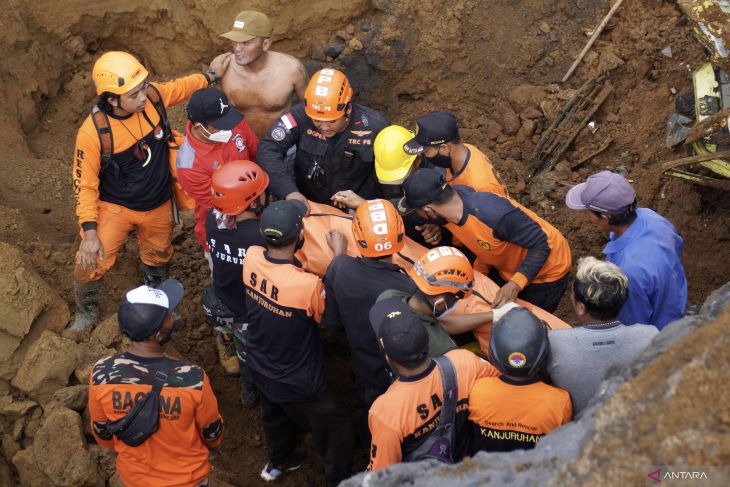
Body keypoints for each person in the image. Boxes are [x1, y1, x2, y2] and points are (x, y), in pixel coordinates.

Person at [70, 51, 229, 332]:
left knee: (159, 256)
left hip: (157, 204)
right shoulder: (94, 132)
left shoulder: (152, 99)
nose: (143, 96)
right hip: (115, 207)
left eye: (143, 87)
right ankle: (87, 311)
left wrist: (210, 76)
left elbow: (180, 87)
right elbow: (84, 184)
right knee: (90, 261)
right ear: (111, 99)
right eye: (134, 94)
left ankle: (156, 303)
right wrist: (90, 232)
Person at [243, 200, 354, 485]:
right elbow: (329, 320)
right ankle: (339, 480)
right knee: (336, 428)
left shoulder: (252, 257)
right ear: (300, 235)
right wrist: (339, 256)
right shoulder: (306, 286)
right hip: (298, 379)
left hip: (259, 361)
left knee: (275, 416)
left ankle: (278, 462)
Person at [88, 279, 223, 487]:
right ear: (159, 334)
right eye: (169, 314)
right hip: (189, 480)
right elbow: (213, 434)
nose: (172, 316)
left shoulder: (101, 374)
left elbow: (103, 435)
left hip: (135, 480)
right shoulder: (192, 378)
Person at [400, 168, 572, 312]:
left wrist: (515, 284)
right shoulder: (452, 209)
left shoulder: (493, 215)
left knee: (530, 317)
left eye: (418, 212)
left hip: (547, 271)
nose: (420, 217)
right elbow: (478, 240)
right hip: (508, 264)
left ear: (429, 209)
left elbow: (541, 245)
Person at [366, 298, 500, 471]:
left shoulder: (385, 412)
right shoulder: (465, 362)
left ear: (388, 357)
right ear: (428, 341)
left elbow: (381, 475)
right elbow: (501, 389)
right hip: (470, 468)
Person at [321, 199, 417, 440]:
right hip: (405, 376)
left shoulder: (340, 267)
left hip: (367, 372)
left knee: (373, 421)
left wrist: (338, 254)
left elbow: (331, 324)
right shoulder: (409, 287)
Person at [565, 170, 688, 329]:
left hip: (660, 330)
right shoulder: (650, 217)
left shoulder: (628, 272)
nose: (587, 216)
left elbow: (633, 326)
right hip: (674, 300)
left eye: (587, 211)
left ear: (605, 217)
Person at [256, 68, 389, 206]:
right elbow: (268, 148)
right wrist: (289, 191)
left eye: (332, 121)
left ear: (347, 109)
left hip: (355, 207)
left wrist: (365, 204)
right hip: (309, 204)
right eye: (317, 120)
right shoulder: (300, 115)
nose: (324, 127)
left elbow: (388, 179)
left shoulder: (375, 126)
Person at [548, 256, 659, 414]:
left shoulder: (555, 343)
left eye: (572, 293)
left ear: (580, 308)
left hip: (576, 434)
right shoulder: (649, 336)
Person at [203, 161, 268, 402]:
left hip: (228, 300)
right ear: (251, 201)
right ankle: (255, 392)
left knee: (244, 353)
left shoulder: (213, 219)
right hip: (252, 311)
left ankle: (247, 391)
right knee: (258, 353)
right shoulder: (258, 236)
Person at [468, 305, 571, 453]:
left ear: (493, 353)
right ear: (544, 352)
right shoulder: (560, 402)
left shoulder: (477, 391)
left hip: (485, 471)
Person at [177, 87, 259, 253]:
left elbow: (257, 155)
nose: (228, 129)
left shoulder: (230, 122)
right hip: (224, 231)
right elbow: (222, 206)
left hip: (257, 209)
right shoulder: (189, 166)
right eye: (219, 126)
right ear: (200, 128)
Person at [213, 10, 308, 137]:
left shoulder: (291, 70)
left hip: (282, 145)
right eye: (235, 41)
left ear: (266, 44)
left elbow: (310, 109)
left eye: (246, 43)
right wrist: (212, 76)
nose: (237, 49)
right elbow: (215, 112)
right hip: (240, 144)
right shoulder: (222, 68)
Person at [402, 111, 508, 197]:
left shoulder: (479, 188)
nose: (423, 156)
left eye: (426, 152)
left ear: (444, 148)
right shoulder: (464, 151)